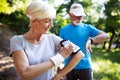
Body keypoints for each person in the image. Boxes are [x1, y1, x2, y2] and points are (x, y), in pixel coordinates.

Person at [9, 1, 84, 80]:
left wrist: (58, 76)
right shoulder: (17, 41)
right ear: (34, 21)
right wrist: (59, 57)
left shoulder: (52, 39)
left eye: (51, 21)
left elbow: (79, 54)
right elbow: (25, 73)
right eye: (47, 21)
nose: (51, 25)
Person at [58, 3, 110, 80]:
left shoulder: (88, 28)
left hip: (85, 67)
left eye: (81, 15)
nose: (79, 18)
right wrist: (58, 66)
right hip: (68, 67)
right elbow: (59, 49)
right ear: (70, 15)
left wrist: (91, 40)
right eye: (77, 15)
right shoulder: (63, 30)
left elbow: (106, 36)